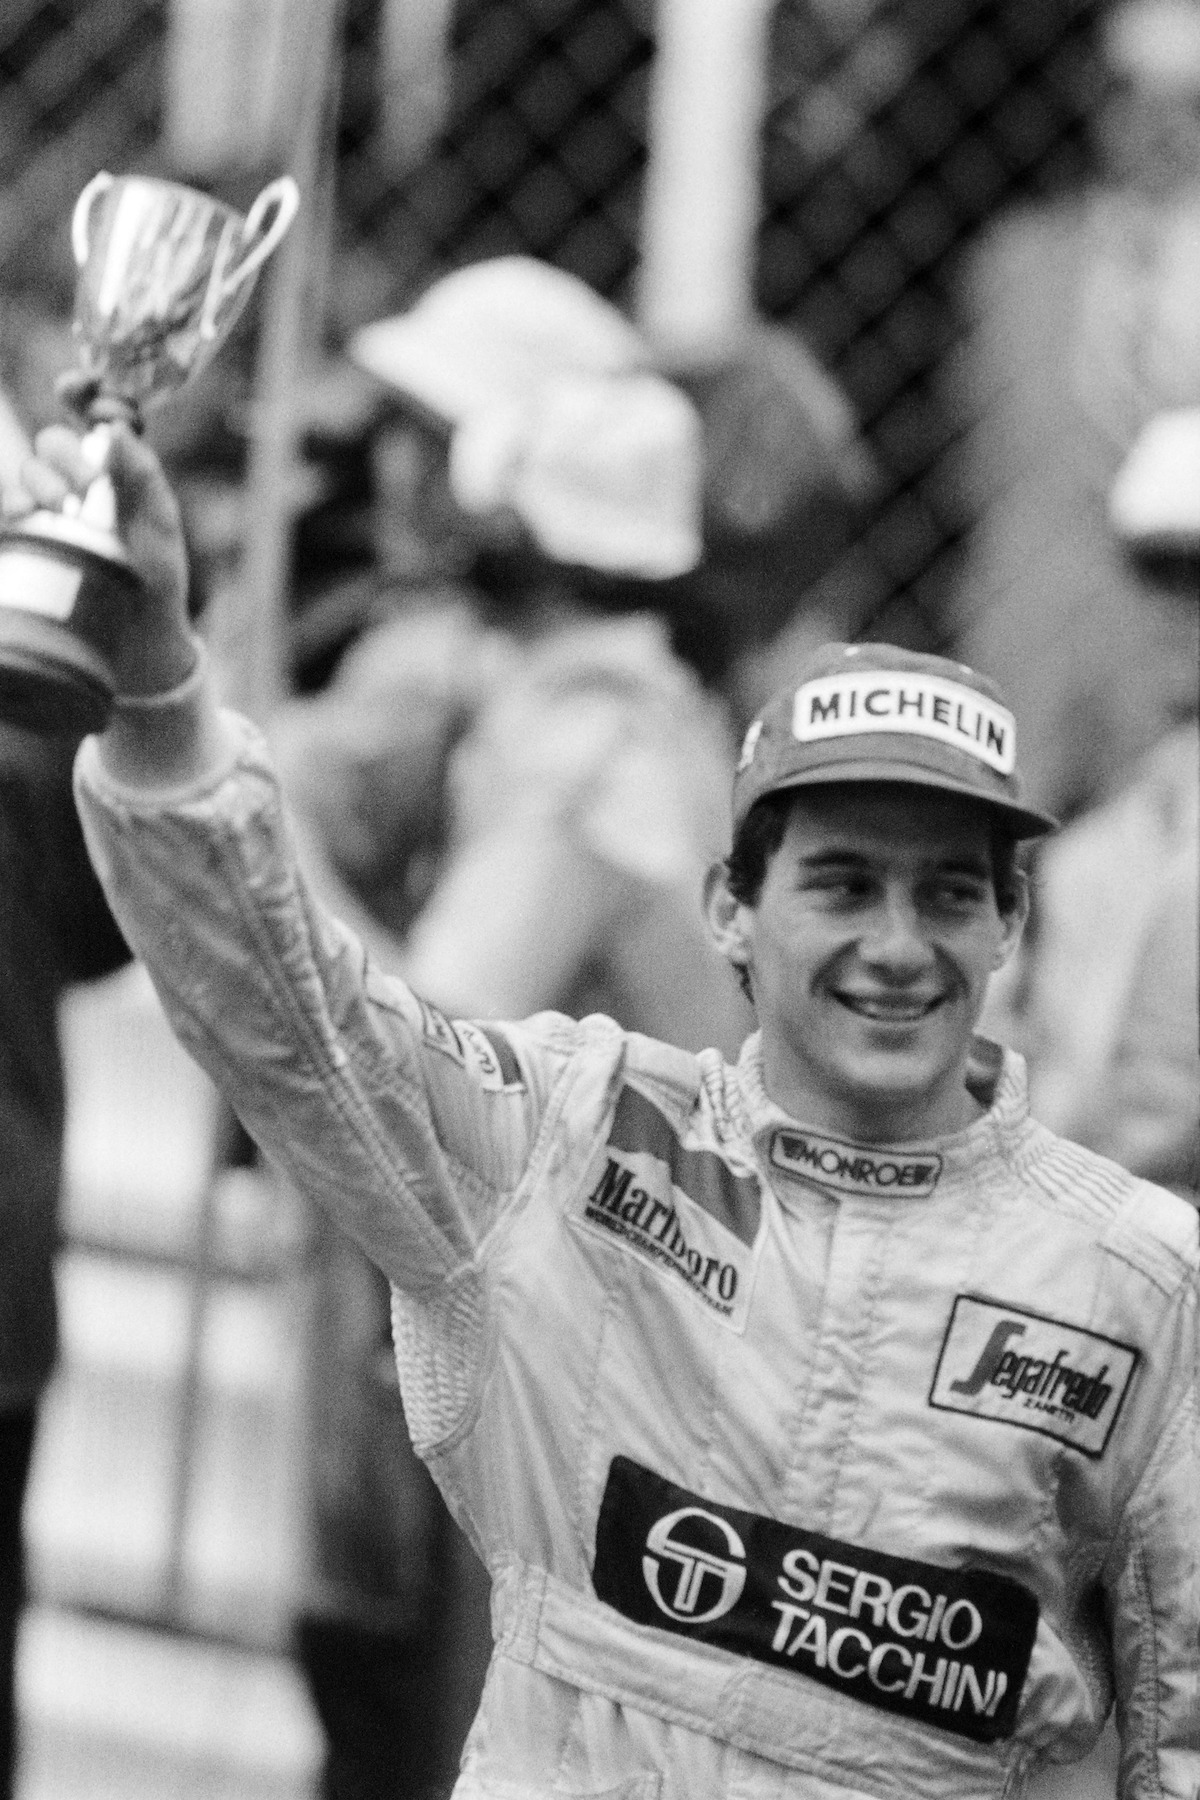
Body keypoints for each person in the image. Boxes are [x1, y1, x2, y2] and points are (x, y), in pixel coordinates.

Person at [9, 421, 1198, 1800]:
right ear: (730, 915)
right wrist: (159, 695)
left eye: (948, 893)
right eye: (842, 883)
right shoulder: (582, 1137)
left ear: (1007, 927)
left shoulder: (1136, 1280)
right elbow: (308, 1031)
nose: (897, 942)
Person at [947, 0, 1200, 822]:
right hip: (1031, 624)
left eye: (1188, 100)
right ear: (1098, 99)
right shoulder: (1015, 262)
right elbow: (978, 463)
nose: (1159, 125)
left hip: (1177, 637)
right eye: (1136, 94)